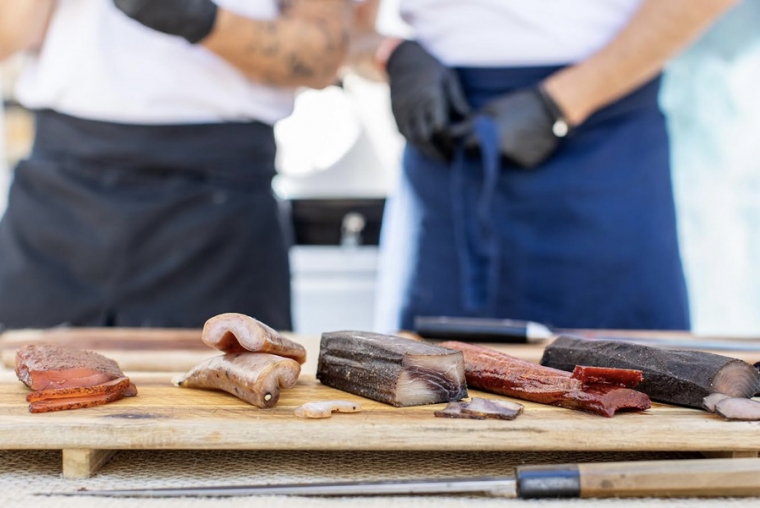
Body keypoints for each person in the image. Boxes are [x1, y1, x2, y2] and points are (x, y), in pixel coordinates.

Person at [371, 0, 739, 333]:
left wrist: (561, 103)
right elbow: (331, 27)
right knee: (423, 379)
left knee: (635, 382)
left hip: (602, 142)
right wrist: (390, 54)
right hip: (443, 137)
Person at [0, 0, 359, 330]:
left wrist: (199, 18)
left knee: (231, 392)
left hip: (221, 207)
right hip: (59, 197)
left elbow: (323, 52)